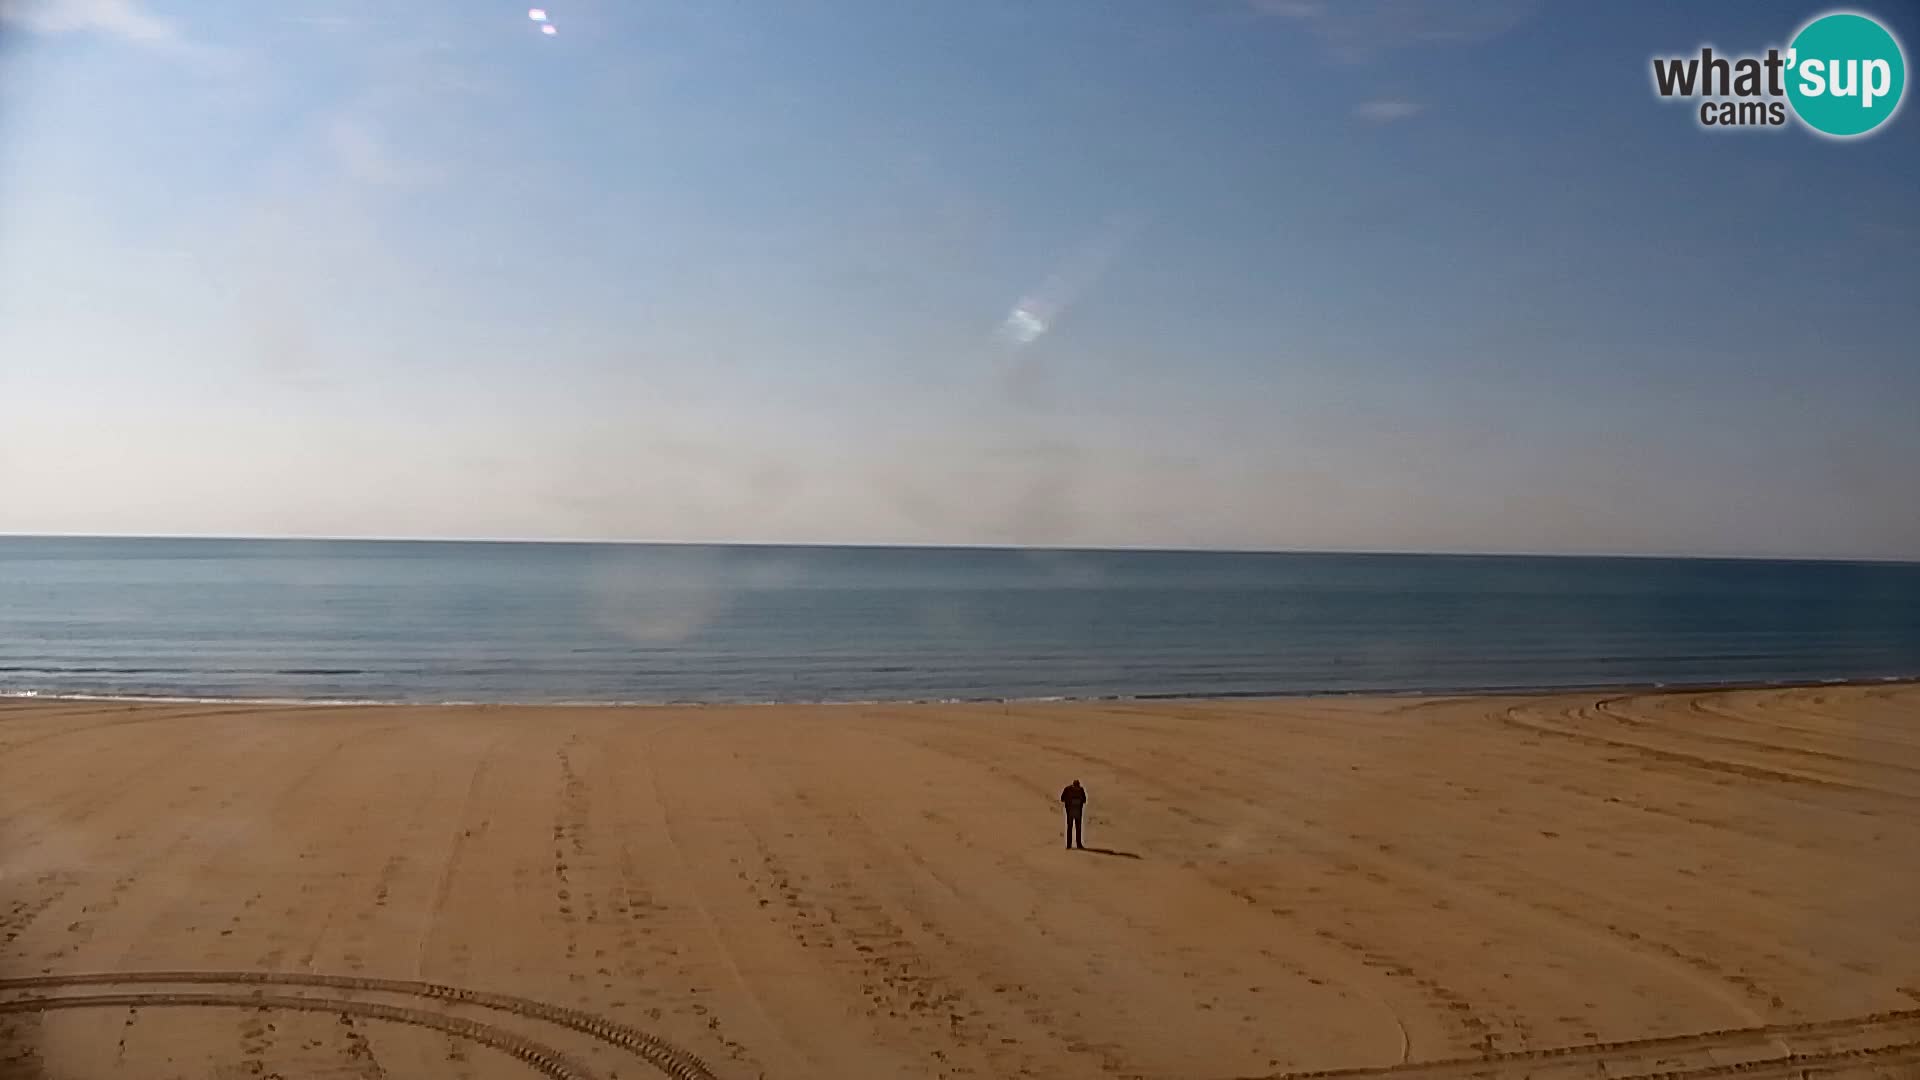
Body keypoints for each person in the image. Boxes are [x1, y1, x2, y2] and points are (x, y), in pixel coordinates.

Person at [1060, 780, 1087, 849]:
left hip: (1073, 811)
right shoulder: (1078, 790)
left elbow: (1062, 799)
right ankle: (1074, 844)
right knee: (1074, 828)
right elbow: (1084, 800)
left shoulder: (1069, 789)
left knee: (1074, 828)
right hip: (1074, 812)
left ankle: (1073, 844)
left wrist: (1069, 801)